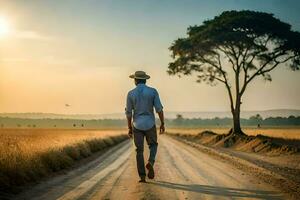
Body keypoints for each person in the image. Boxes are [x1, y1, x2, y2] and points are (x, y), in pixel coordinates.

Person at [125, 70, 165, 183]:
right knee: (153, 145)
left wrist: (129, 128)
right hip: (150, 123)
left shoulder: (131, 93)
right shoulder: (152, 91)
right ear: (145, 80)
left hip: (137, 124)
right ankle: (151, 162)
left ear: (136, 80)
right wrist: (162, 123)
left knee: (139, 151)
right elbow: (159, 109)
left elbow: (128, 113)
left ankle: (142, 177)